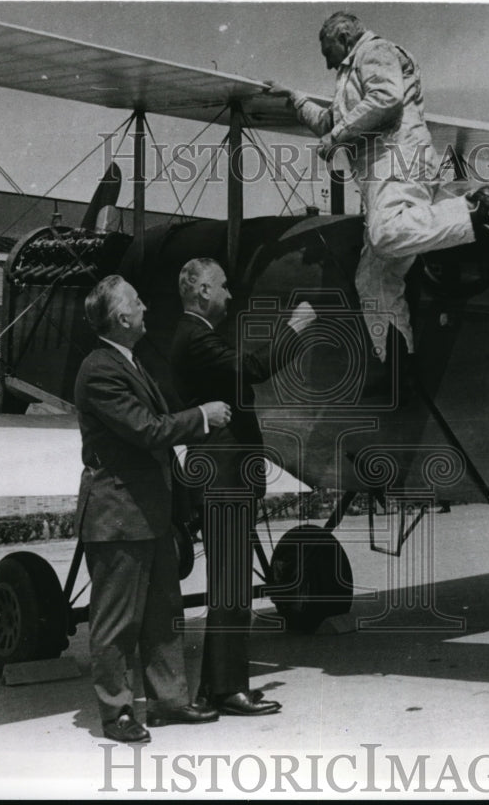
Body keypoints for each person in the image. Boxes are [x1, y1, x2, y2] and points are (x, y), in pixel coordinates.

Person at [266, 11, 489, 368]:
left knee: (386, 235)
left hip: (397, 163)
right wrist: (295, 99)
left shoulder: (375, 51)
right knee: (373, 277)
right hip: (383, 172)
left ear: (343, 38)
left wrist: (337, 137)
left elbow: (386, 100)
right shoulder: (351, 72)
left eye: (327, 51)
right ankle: (396, 363)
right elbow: (332, 121)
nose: (327, 64)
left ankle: (478, 209)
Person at [74, 274, 232, 743]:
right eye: (139, 302)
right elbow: (146, 429)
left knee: (165, 612)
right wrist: (202, 416)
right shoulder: (100, 369)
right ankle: (117, 712)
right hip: (119, 513)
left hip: (148, 511)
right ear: (122, 317)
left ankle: (169, 700)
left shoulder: (130, 361)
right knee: (116, 620)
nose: (147, 308)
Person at [170, 258, 316, 715]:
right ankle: (225, 688)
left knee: (231, 584)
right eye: (224, 287)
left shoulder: (198, 336)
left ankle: (220, 685)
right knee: (230, 585)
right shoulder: (195, 338)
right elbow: (254, 367)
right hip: (222, 477)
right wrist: (296, 327)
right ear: (202, 291)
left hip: (226, 474)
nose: (231, 296)